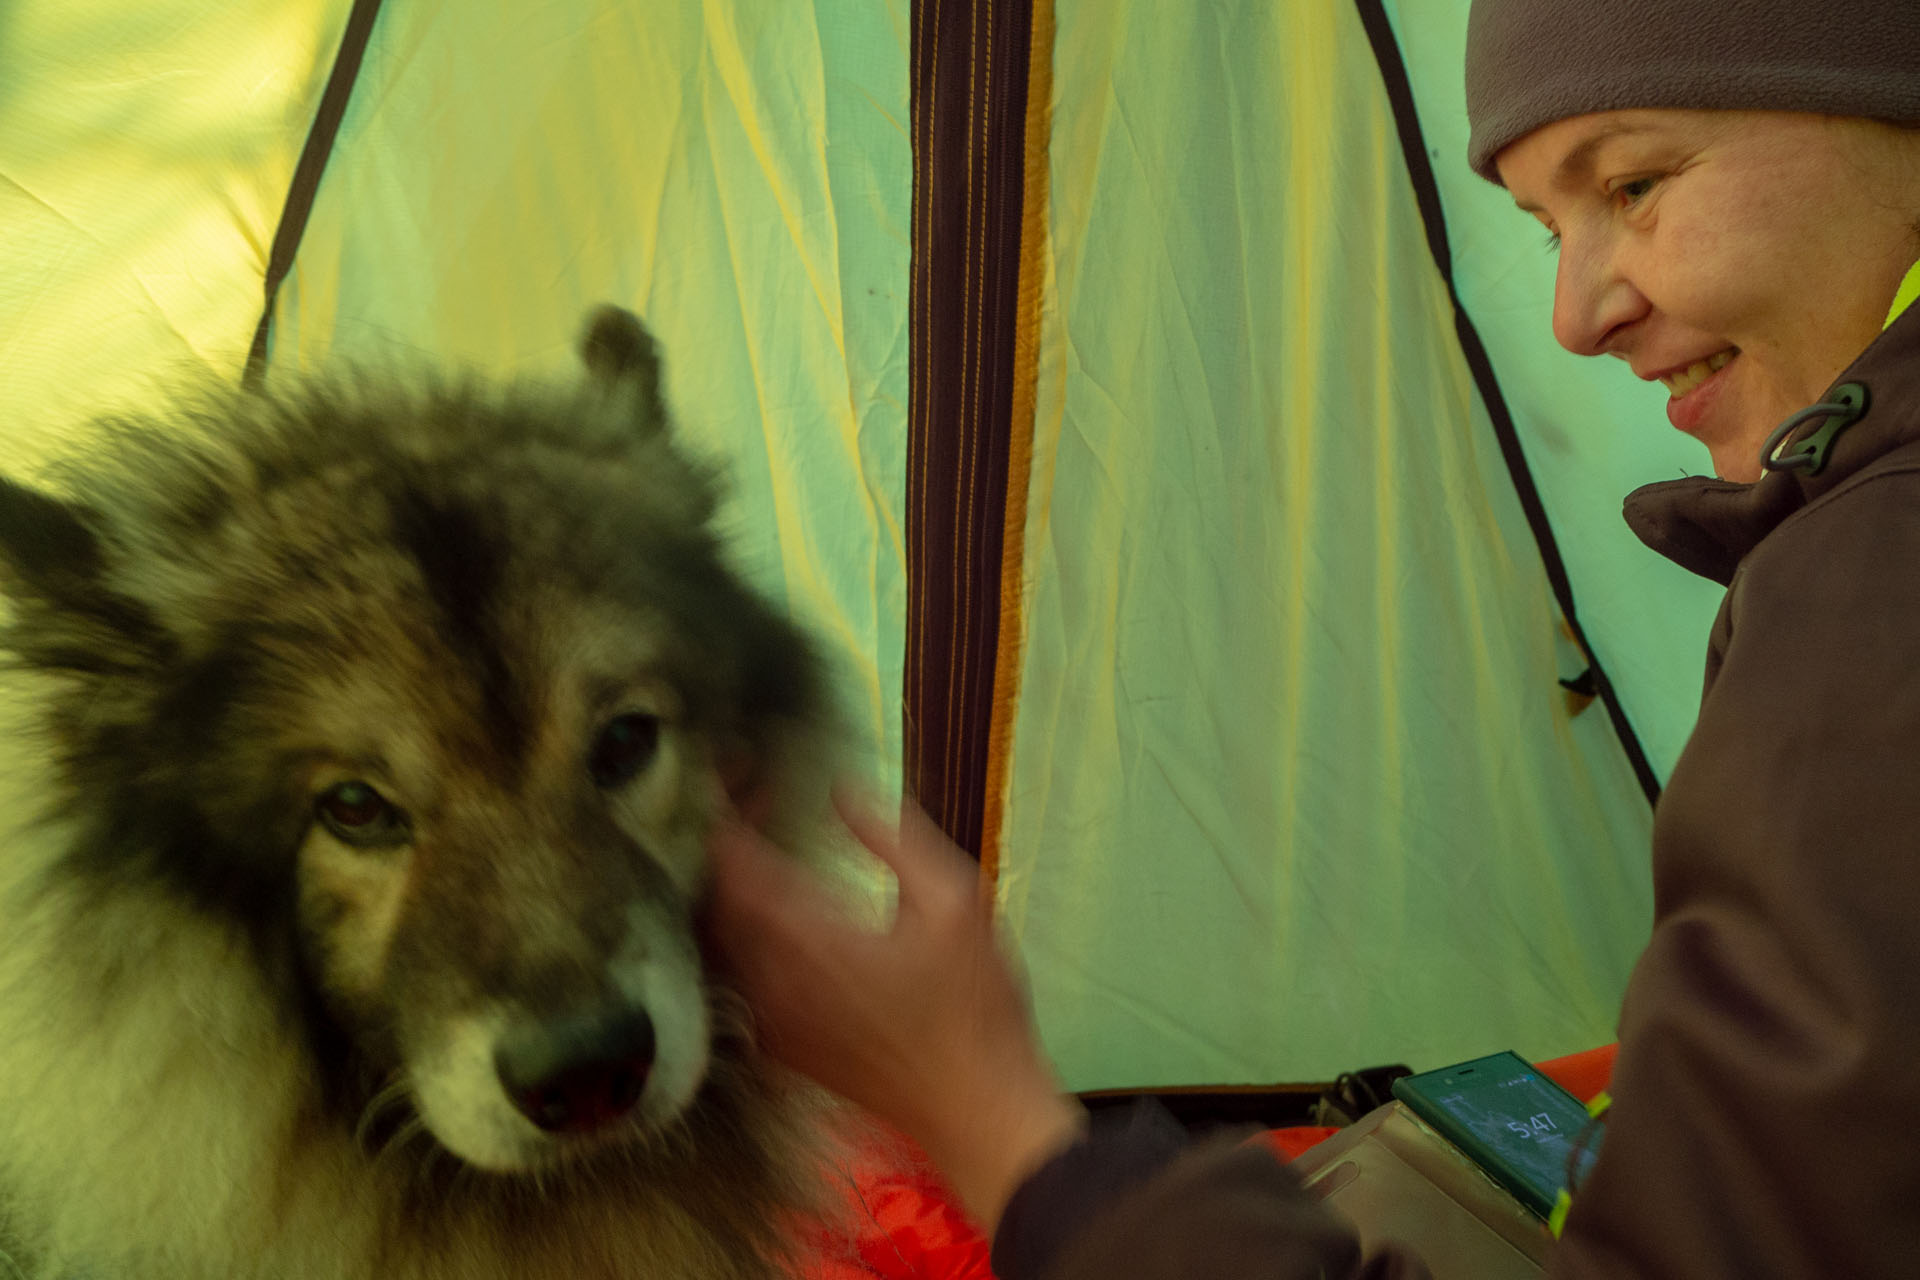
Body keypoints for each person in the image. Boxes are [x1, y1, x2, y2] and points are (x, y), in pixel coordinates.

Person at [706, 0, 1920, 1274]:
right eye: (1549, 229)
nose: (1574, 313)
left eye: (1634, 181)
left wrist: (989, 1118)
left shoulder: (1873, 580)